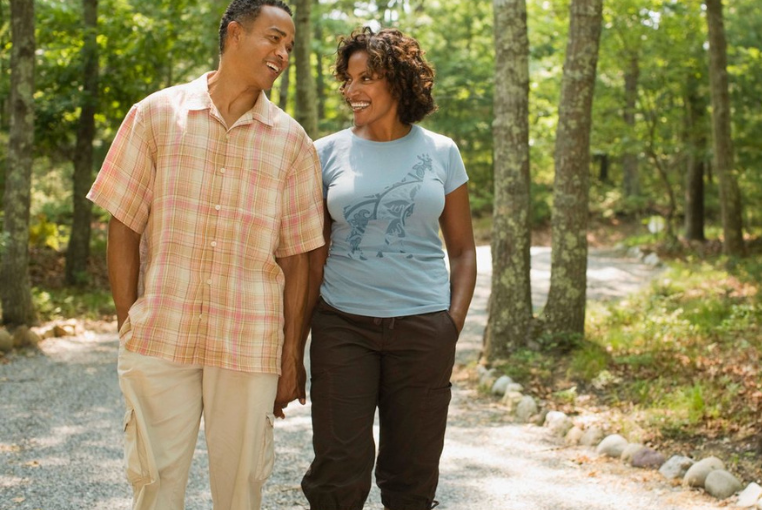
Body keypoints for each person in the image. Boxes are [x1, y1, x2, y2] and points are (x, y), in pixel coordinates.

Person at [86, 1, 324, 508]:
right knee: (154, 484)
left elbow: (297, 257)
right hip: (161, 334)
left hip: (249, 340)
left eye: (289, 46)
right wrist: (129, 321)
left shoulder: (293, 143)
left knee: (241, 491)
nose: (283, 54)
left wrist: (289, 357)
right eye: (274, 38)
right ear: (235, 34)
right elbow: (123, 223)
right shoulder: (154, 114)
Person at [300, 27, 477, 510]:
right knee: (338, 467)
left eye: (366, 78)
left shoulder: (441, 152)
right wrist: (296, 337)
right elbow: (312, 251)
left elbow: (462, 250)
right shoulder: (324, 152)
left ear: (399, 82)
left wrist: (450, 325)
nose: (351, 91)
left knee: (412, 472)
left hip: (423, 328)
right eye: (348, 79)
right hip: (343, 325)